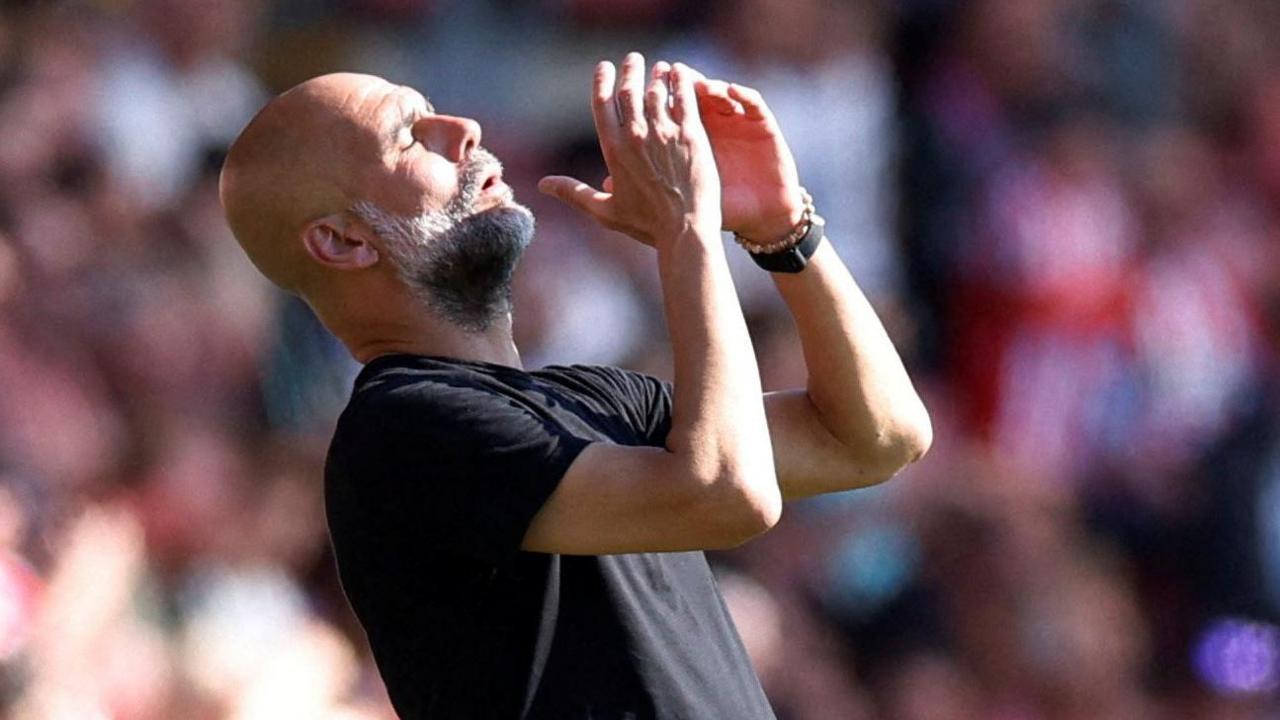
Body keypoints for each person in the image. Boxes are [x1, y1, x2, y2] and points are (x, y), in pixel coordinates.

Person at [218, 53, 931, 719]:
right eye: (409, 136)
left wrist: (782, 231)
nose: (462, 129)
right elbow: (725, 491)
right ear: (343, 241)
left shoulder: (593, 398)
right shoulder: (401, 430)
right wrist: (686, 229)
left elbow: (876, 439)